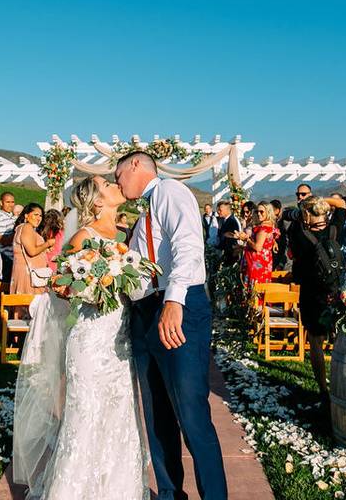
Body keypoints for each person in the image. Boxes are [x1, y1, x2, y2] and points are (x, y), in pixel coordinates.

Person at [14, 174, 148, 498]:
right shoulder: (81, 237)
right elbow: (59, 286)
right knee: (86, 415)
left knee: (120, 415)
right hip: (89, 339)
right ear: (98, 201)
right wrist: (88, 289)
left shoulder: (125, 235)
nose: (116, 184)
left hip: (119, 338)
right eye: (107, 185)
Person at [116, 151, 227, 500]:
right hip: (146, 312)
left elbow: (189, 246)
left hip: (177, 306)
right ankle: (169, 493)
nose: (116, 181)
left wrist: (174, 301)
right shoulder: (144, 214)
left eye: (117, 173)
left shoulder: (169, 192)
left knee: (190, 412)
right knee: (157, 412)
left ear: (136, 164)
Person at [285, 196, 343, 397]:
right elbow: (342, 205)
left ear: (307, 214)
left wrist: (305, 207)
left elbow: (292, 254)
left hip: (311, 293)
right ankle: (340, 383)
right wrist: (320, 200)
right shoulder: (335, 228)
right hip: (335, 292)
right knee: (339, 339)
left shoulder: (300, 234)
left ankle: (322, 387)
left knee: (315, 342)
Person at [10, 203, 56, 296]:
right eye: (35, 214)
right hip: (29, 275)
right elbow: (32, 251)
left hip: (29, 273)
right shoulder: (27, 227)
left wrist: (44, 249)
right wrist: (48, 243)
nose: (39, 218)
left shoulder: (24, 228)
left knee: (23, 306)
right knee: (29, 305)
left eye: (41, 216)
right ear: (26, 215)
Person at [240, 202, 278, 284]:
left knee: (255, 288)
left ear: (268, 212)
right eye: (257, 211)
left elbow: (258, 247)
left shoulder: (263, 228)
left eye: (262, 212)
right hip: (264, 261)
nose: (259, 214)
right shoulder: (269, 225)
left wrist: (246, 239)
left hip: (257, 263)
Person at [0, 191, 17, 282]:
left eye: (12, 202)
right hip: (6, 260)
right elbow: (2, 240)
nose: (11, 205)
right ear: (1, 203)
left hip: (14, 259)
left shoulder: (13, 217)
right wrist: (18, 232)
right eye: (8, 202)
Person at [215, 200, 242, 264]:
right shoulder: (225, 220)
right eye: (218, 210)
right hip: (226, 253)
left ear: (227, 210)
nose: (218, 212)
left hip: (231, 254)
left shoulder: (232, 221)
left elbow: (234, 238)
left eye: (220, 210)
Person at [270, 199, 287, 270]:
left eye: (270, 211)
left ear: (277, 210)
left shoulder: (285, 223)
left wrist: (281, 263)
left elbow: (286, 244)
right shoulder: (273, 222)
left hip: (282, 260)